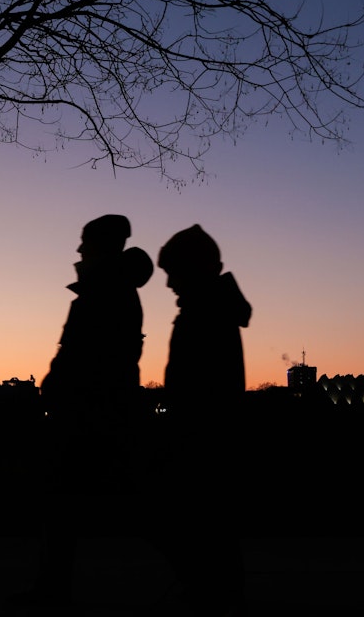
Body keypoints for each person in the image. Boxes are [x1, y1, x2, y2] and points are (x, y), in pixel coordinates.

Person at [10, 214, 153, 610]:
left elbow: (82, 354)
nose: (78, 250)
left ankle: (52, 591)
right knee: (77, 504)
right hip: (95, 410)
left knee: (65, 504)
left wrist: (57, 389)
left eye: (84, 242)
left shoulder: (102, 293)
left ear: (103, 246)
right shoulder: (111, 291)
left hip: (87, 413)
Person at [152, 224, 252, 615]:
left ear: (192, 269)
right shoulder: (212, 306)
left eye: (173, 272)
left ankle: (210, 594)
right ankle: (215, 592)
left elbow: (199, 385)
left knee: (195, 522)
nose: (169, 284)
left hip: (201, 438)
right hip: (206, 436)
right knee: (213, 526)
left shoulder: (205, 311)